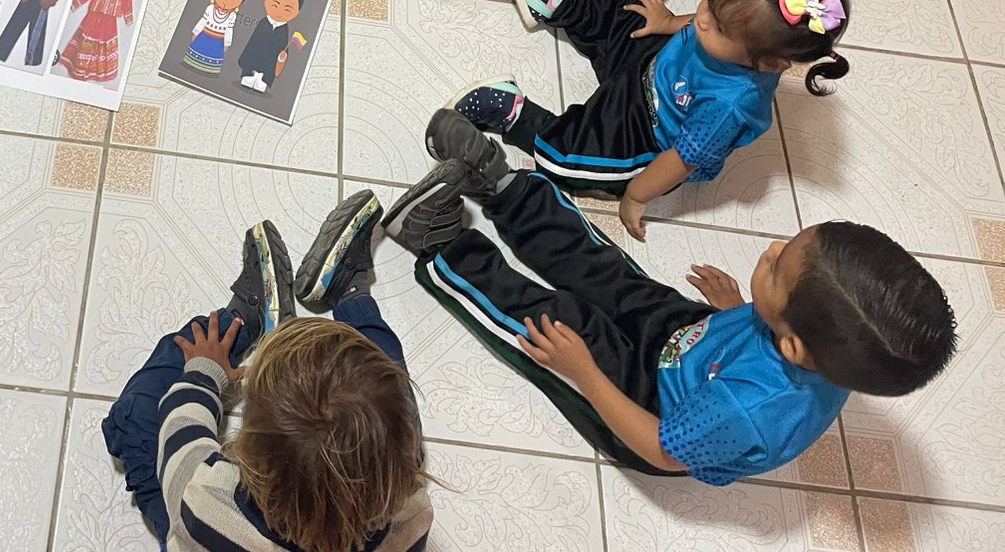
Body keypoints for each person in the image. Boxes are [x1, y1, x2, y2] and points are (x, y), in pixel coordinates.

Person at [387, 115, 956, 485]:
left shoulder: (747, 414)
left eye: (777, 267)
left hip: (647, 408)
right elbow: (779, 335)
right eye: (788, 245)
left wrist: (585, 374)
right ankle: (507, 190)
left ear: (793, 345)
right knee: (604, 269)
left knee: (558, 327)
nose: (771, 250)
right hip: (690, 338)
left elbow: (661, 450)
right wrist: (743, 313)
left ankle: (442, 246)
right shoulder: (823, 343)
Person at [426, 0, 849, 238]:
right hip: (652, 63)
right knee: (623, 7)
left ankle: (513, 111)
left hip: (646, 131)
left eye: (718, 28)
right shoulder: (720, 25)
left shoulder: (729, 108)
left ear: (771, 63)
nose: (701, 18)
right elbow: (705, 18)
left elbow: (679, 161)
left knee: (567, 161)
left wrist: (637, 196)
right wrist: (669, 22)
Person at [102, 193, 435, 551]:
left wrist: (203, 373)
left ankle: (243, 320)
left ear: (244, 453)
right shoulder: (411, 513)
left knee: (136, 416)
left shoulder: (206, 506)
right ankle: (349, 292)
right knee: (383, 398)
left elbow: (183, 428)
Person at [55, 0, 136, 83]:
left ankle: (98, 73)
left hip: (109, 23)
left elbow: (127, 3)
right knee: (86, 42)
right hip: (92, 18)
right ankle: (79, 69)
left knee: (103, 47)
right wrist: (75, 3)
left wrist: (128, 18)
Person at [235, 0, 309, 94]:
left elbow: (282, 47)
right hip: (255, 55)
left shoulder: (284, 30)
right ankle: (249, 73)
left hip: (269, 63)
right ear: (265, 1)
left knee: (270, 61)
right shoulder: (263, 23)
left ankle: (263, 79)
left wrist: (282, 58)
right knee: (254, 52)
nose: (279, 12)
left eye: (287, 9)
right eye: (275, 5)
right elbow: (252, 42)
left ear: (297, 12)